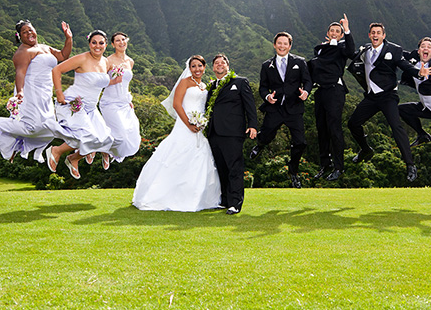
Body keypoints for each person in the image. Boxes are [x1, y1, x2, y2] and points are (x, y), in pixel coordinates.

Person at [132, 55, 221, 212]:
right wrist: (189, 124)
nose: (197, 69)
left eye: (200, 66)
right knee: (177, 157)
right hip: (185, 125)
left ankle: (198, 197)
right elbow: (176, 104)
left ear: (204, 67)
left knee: (199, 159)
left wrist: (200, 122)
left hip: (199, 127)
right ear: (189, 68)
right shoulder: (184, 82)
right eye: (193, 66)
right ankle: (168, 196)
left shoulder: (204, 85)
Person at [0, 19, 72, 162]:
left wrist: (68, 38)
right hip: (30, 91)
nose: (29, 33)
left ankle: (23, 148)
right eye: (24, 32)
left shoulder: (44, 47)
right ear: (20, 37)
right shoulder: (23, 52)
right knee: (32, 127)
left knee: (48, 129)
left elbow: (62, 56)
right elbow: (20, 73)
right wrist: (20, 92)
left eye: (30, 30)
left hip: (45, 91)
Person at [347, 22, 418, 182]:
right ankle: (365, 149)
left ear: (383, 35)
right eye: (373, 32)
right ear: (369, 35)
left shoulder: (394, 49)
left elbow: (404, 65)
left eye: (378, 32)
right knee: (353, 123)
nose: (375, 35)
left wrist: (419, 72)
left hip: (388, 96)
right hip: (371, 97)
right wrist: (347, 31)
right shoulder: (365, 50)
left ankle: (410, 165)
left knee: (396, 127)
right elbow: (351, 53)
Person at [45, 30, 119, 179]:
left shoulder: (106, 62)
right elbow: (56, 70)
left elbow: (100, 82)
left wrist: (118, 88)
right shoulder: (82, 59)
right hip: (74, 103)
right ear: (89, 44)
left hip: (91, 108)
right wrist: (59, 93)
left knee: (106, 138)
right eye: (94, 42)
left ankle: (73, 158)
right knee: (85, 136)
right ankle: (56, 151)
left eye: (101, 43)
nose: (97, 46)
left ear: (105, 45)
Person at [249, 31, 312, 188]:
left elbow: (308, 81)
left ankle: (293, 171)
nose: (282, 46)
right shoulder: (266, 65)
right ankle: (260, 145)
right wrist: (267, 97)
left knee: (301, 143)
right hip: (275, 108)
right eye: (279, 43)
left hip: (294, 108)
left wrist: (306, 92)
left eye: (285, 43)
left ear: (290, 46)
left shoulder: (300, 62)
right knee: (266, 135)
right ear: (274, 45)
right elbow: (263, 87)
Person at [206, 54, 258, 214]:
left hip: (233, 132)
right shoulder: (212, 86)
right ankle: (225, 200)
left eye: (223, 62)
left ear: (228, 66)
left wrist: (253, 125)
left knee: (234, 167)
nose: (219, 65)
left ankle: (236, 203)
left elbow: (250, 105)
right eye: (216, 63)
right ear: (213, 67)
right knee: (221, 168)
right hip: (214, 133)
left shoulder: (240, 82)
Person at [307, 14, 356, 181]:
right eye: (332, 30)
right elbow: (316, 66)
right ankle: (325, 164)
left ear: (341, 35)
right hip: (320, 91)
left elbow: (351, 52)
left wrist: (347, 29)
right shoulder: (319, 49)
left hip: (335, 91)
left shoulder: (342, 48)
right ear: (327, 33)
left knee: (334, 128)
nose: (335, 33)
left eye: (338, 31)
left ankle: (339, 167)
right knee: (321, 128)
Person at [100, 31, 142, 163]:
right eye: (117, 40)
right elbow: (100, 81)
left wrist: (129, 99)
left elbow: (126, 84)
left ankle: (106, 151)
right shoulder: (108, 61)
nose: (121, 42)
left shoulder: (130, 61)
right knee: (121, 134)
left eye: (123, 39)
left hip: (125, 103)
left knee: (133, 132)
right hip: (110, 102)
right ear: (112, 44)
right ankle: (103, 149)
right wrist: (112, 81)